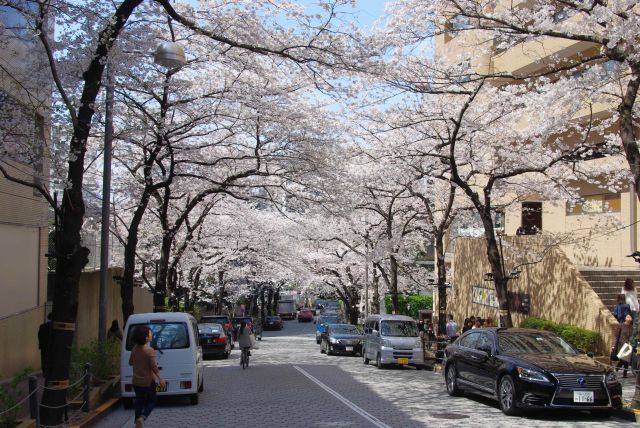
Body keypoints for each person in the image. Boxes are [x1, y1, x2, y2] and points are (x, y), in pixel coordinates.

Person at [129, 325, 165, 428]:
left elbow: (130, 362)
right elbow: (154, 367)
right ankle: (142, 418)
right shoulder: (149, 350)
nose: (151, 334)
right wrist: (160, 378)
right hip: (148, 381)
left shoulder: (134, 349)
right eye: (150, 333)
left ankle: (137, 423)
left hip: (136, 381)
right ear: (145, 337)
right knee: (152, 401)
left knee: (139, 402)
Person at [38, 313, 53, 379]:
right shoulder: (55, 327)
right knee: (52, 359)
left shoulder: (42, 326)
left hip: (44, 346)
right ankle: (51, 373)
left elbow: (39, 336)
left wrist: (41, 344)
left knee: (44, 360)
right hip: (53, 347)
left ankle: (45, 373)